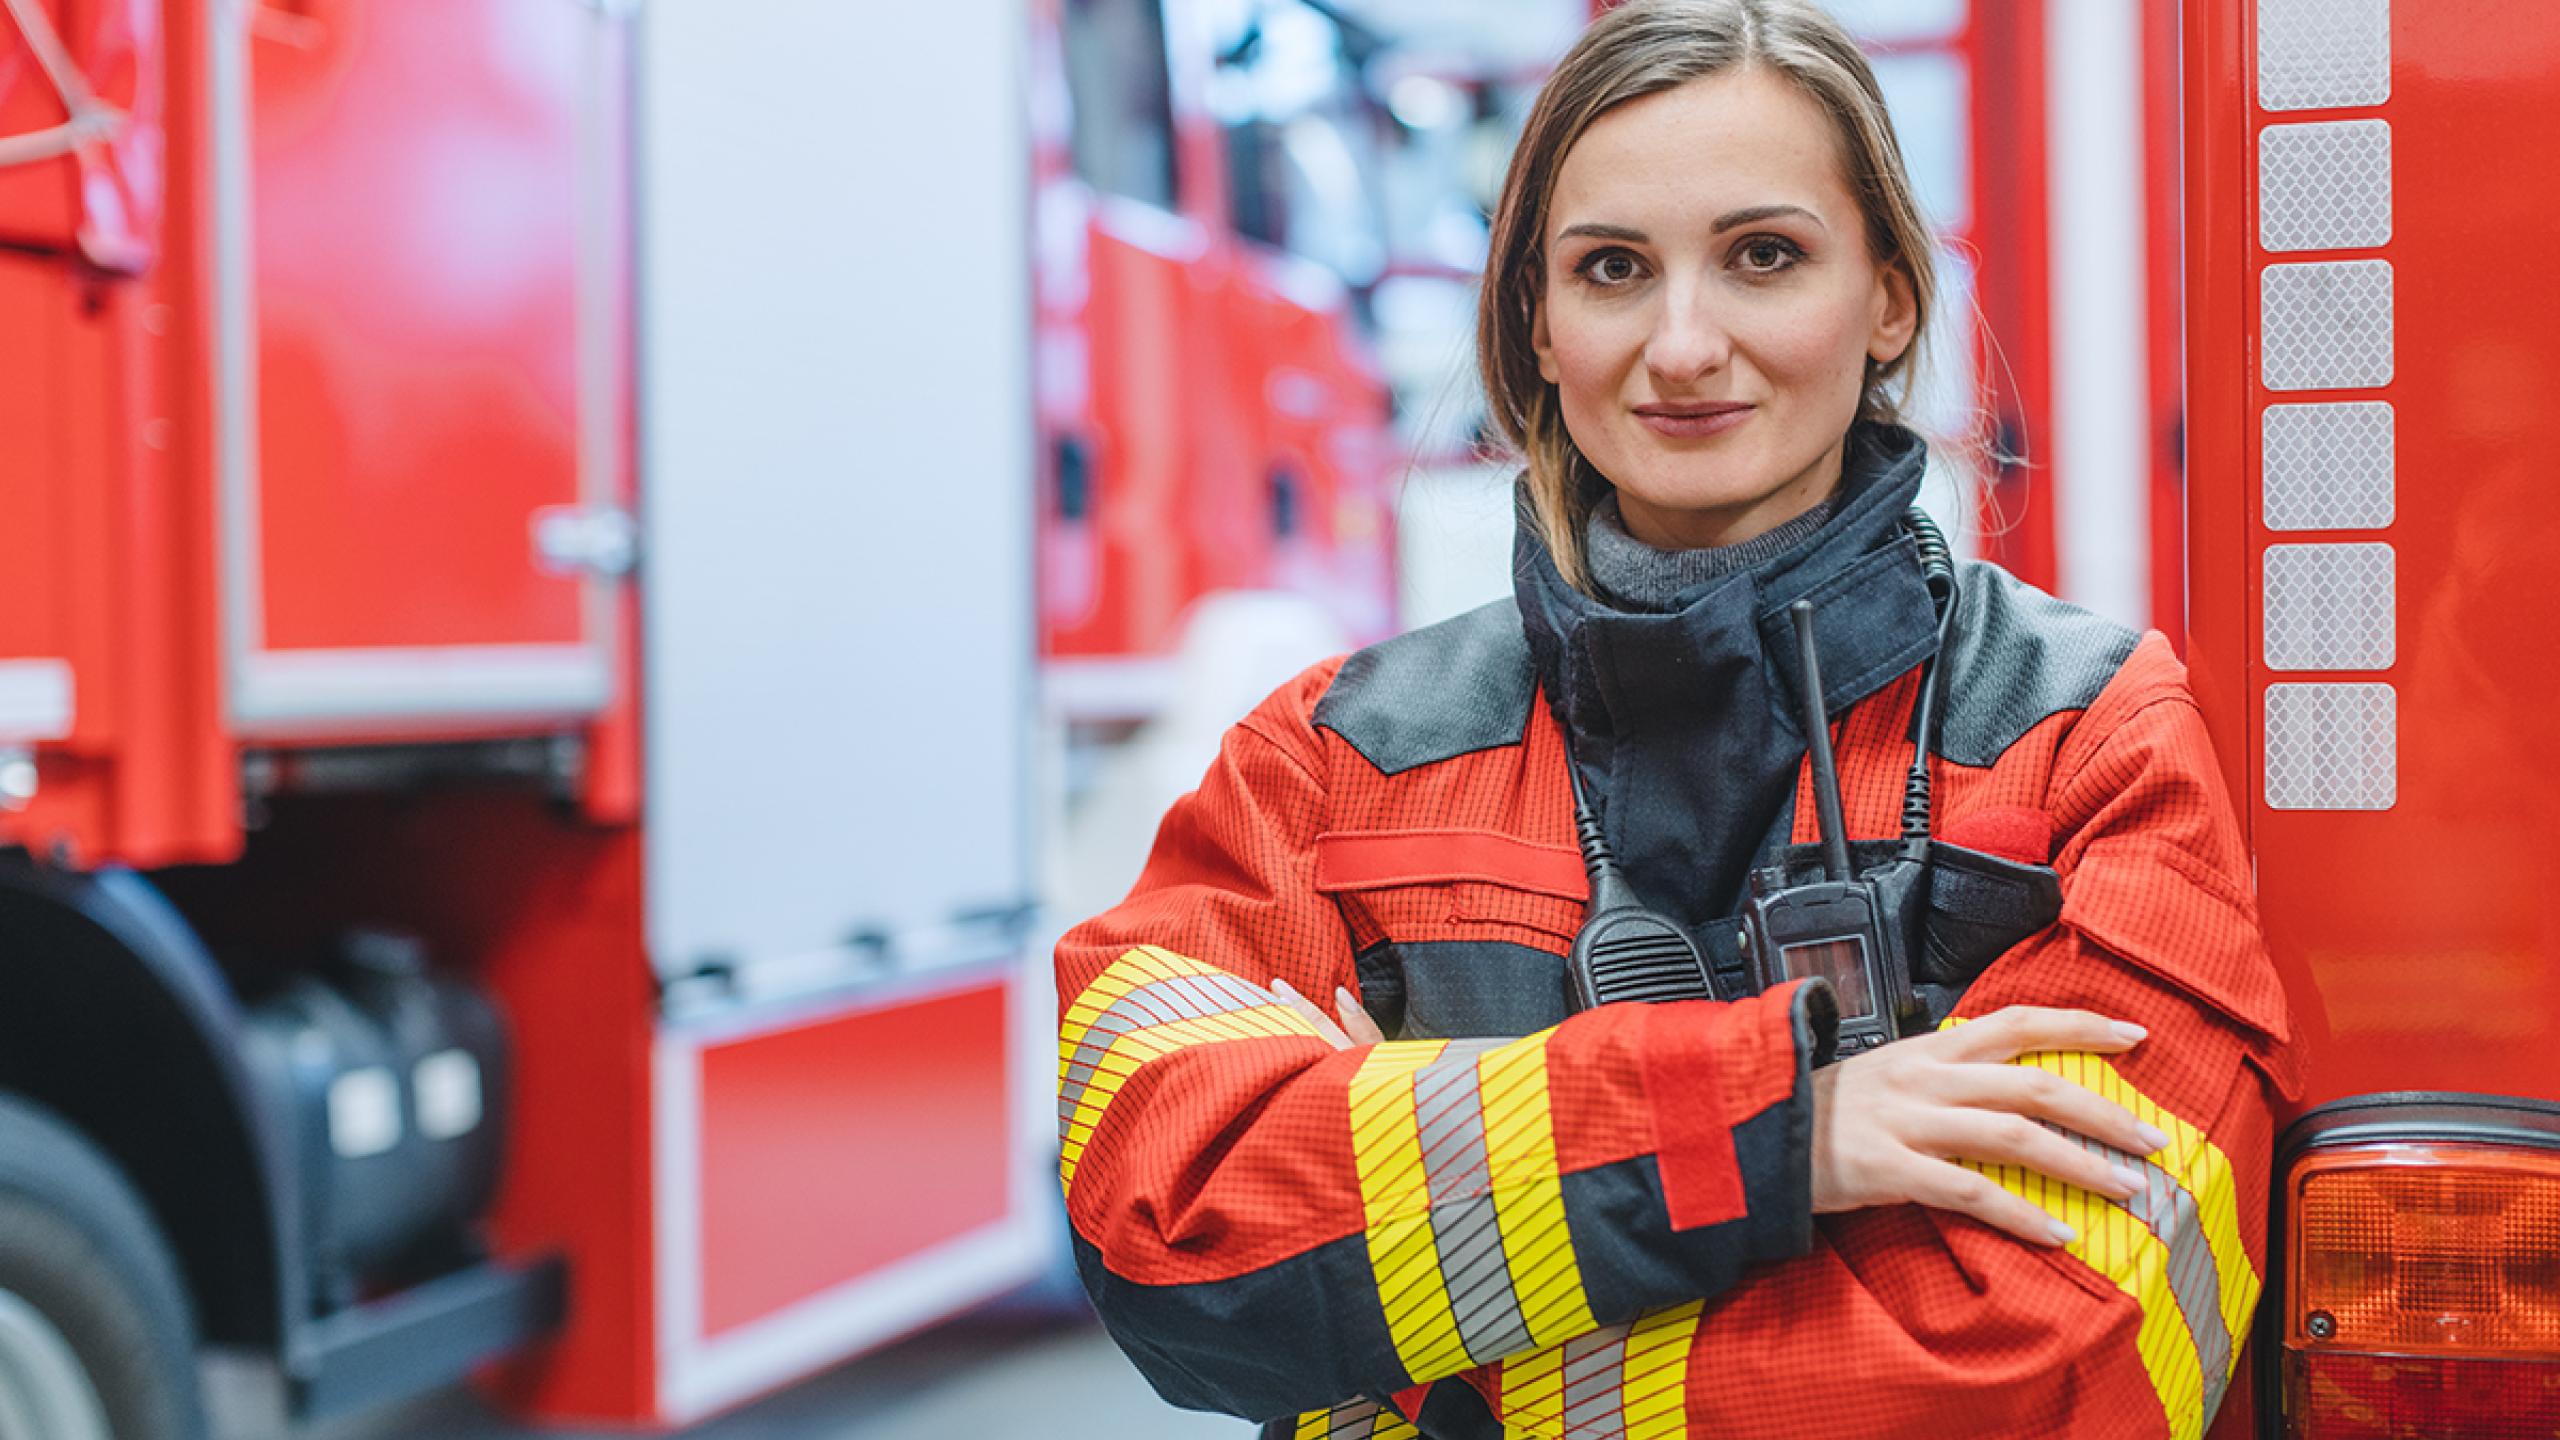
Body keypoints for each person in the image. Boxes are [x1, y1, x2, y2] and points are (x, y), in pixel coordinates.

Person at [1052, 2, 2295, 1436]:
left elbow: (2052, 1364)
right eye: (1612, 270)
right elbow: (1180, 1237)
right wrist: (1784, 1133)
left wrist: (1409, 1261)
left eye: (1764, 256)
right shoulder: (1329, 759)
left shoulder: (2086, 731)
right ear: (1537, 318)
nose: (1683, 343)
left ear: (1890, 297)